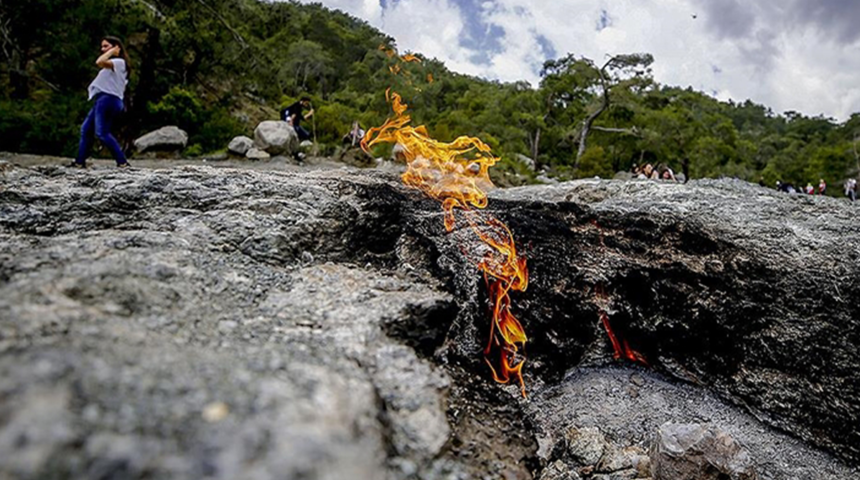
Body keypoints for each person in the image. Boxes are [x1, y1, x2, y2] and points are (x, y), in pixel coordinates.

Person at [70, 36, 131, 168]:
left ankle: (122, 162)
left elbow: (99, 62)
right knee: (86, 129)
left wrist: (112, 52)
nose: (102, 49)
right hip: (103, 99)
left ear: (116, 47)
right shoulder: (113, 66)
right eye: (102, 46)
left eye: (106, 46)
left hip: (108, 99)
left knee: (102, 133)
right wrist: (110, 51)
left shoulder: (119, 62)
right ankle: (80, 161)